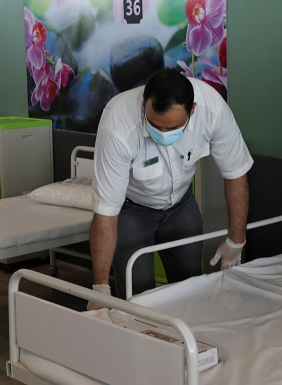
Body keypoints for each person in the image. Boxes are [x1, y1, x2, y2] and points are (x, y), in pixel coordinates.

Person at [89, 70, 252, 309]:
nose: (164, 135)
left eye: (173, 128)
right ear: (144, 103)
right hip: (132, 211)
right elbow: (105, 211)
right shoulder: (118, 125)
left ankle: (189, 344)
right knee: (139, 298)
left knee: (190, 290)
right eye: (156, 126)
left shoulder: (212, 109)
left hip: (182, 205)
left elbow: (236, 174)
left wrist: (236, 240)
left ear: (192, 110)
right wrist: (100, 288)